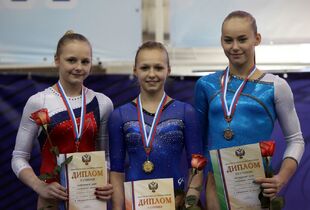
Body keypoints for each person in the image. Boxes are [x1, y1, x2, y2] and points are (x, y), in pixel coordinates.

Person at [194, 10, 305, 210]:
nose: (235, 47)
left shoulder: (275, 86)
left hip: (257, 191)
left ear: (257, 39)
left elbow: (296, 140)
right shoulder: (206, 85)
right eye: (228, 40)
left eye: (242, 39)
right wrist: (194, 190)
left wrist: (281, 178)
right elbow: (198, 144)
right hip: (215, 191)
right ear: (221, 41)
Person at [11, 31, 114, 209]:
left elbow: (106, 156)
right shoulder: (38, 102)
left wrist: (107, 181)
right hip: (51, 200)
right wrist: (39, 186)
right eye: (71, 60)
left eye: (85, 61)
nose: (79, 67)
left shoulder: (103, 103)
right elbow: (18, 158)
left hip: (90, 199)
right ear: (57, 60)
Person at [108, 41, 204, 210]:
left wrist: (189, 203)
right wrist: (117, 208)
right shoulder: (120, 115)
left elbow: (196, 167)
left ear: (169, 70)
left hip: (176, 203)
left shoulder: (185, 112)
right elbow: (116, 172)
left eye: (158, 68)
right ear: (134, 70)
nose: (151, 74)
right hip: (135, 204)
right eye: (145, 68)